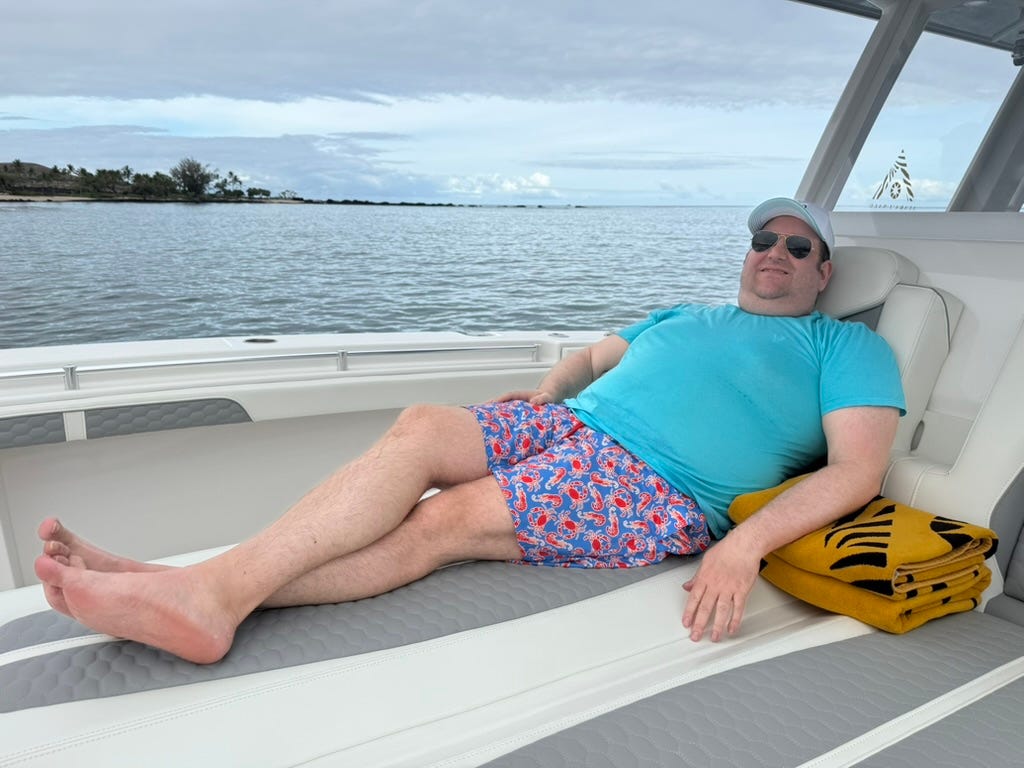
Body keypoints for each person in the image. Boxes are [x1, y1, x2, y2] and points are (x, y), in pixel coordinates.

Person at [35, 197, 906, 664]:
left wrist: (743, 545)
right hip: (567, 423)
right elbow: (594, 356)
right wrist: (547, 390)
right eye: (765, 238)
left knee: (443, 520)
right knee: (420, 427)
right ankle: (192, 585)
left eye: (799, 247)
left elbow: (856, 470)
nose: (775, 253)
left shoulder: (842, 347)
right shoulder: (685, 313)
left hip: (659, 481)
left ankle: (204, 594)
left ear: (823, 272)